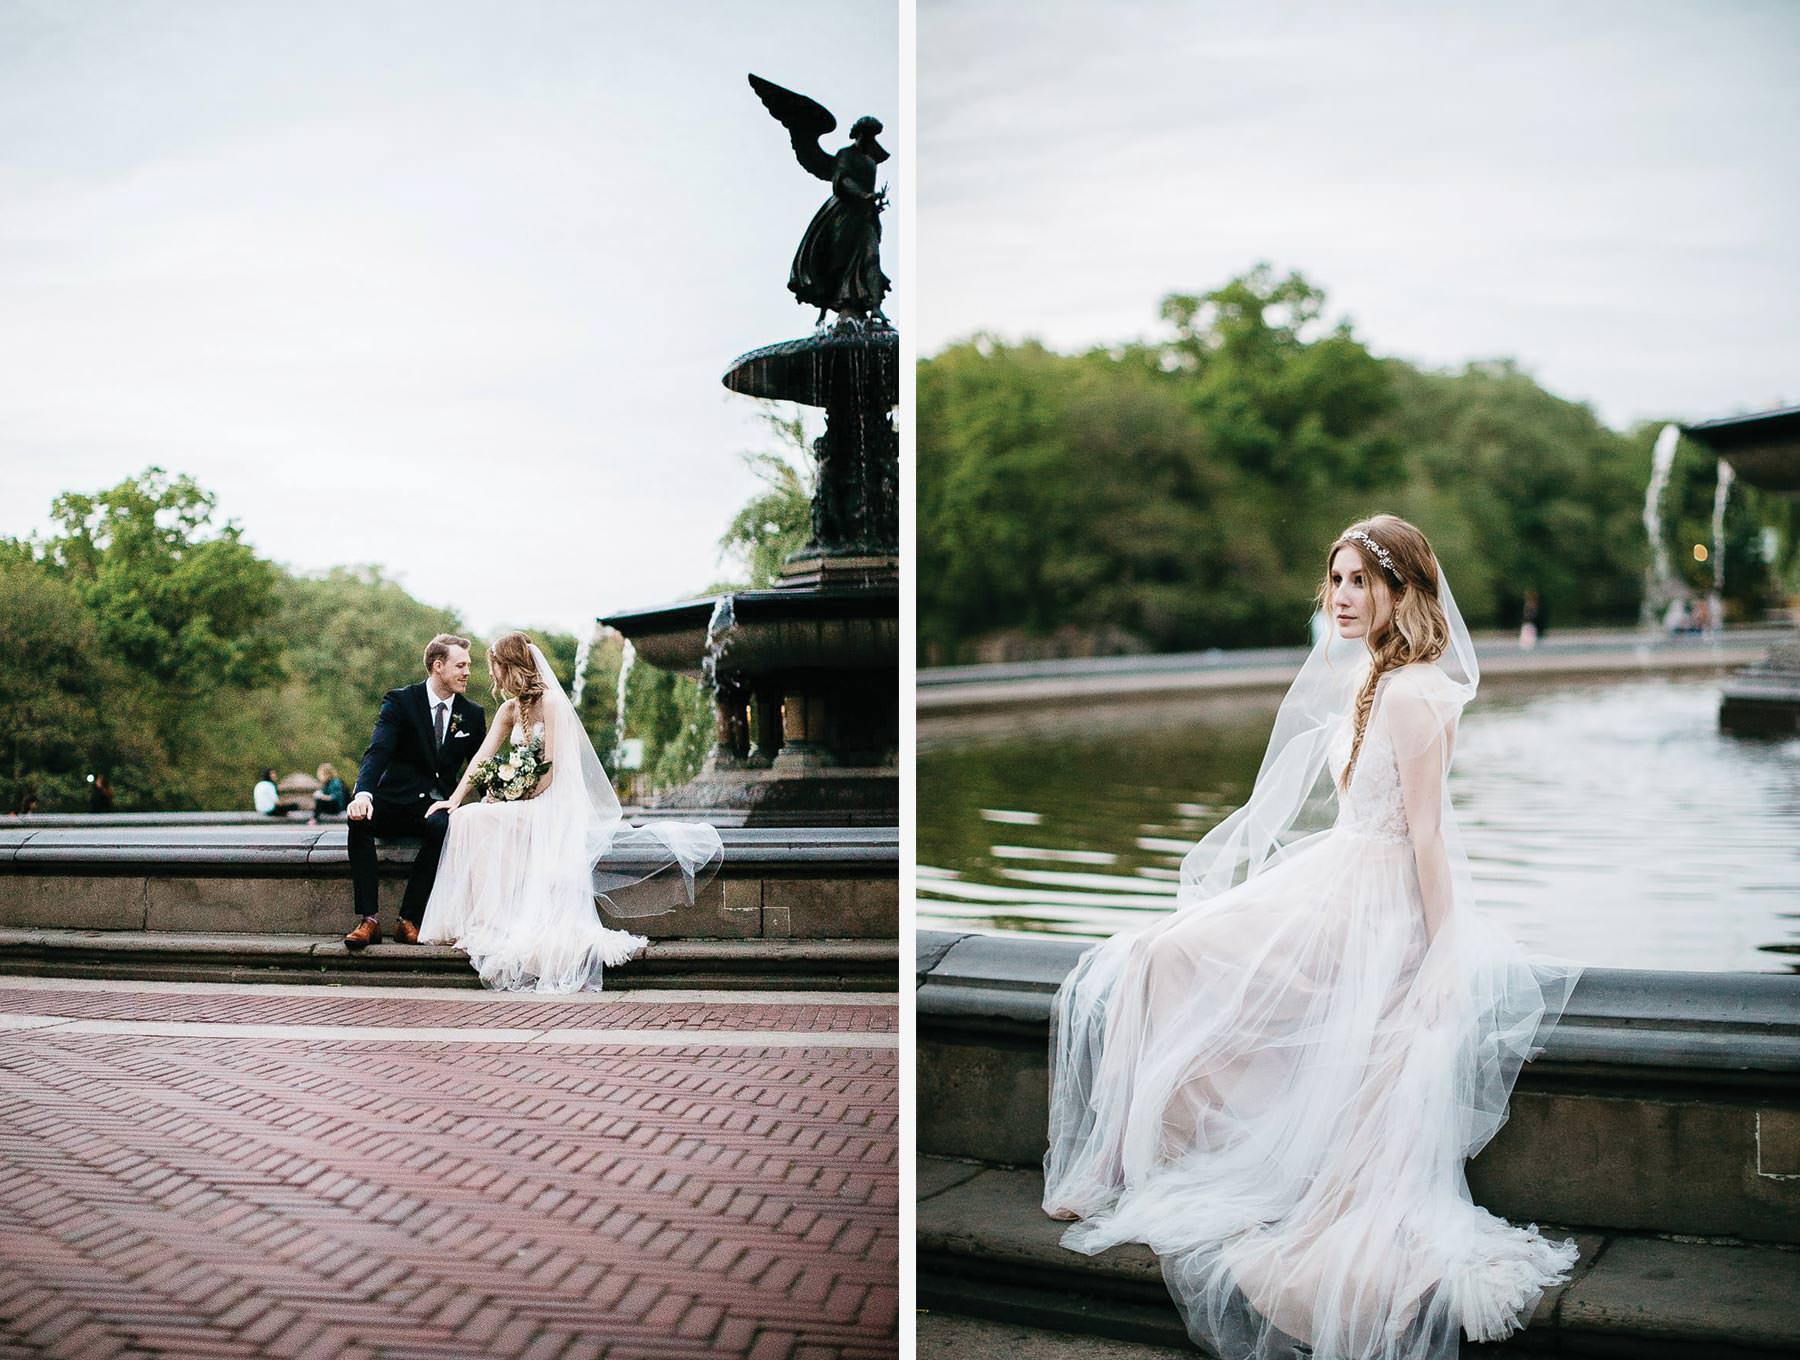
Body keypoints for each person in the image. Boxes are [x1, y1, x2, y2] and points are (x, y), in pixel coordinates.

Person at [1043, 515, 1584, 1360]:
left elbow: (1428, 835)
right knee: (1158, 954)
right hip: (1337, 873)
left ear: (1401, 590)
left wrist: (1443, 953)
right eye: (1335, 580)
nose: (1341, 596)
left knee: (1171, 960)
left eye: (1360, 581)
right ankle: (1132, 1161)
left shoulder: (1411, 692)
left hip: (1376, 902)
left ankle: (1135, 1165)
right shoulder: (1375, 674)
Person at [418, 632, 723, 993]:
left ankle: (494, 925)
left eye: (494, 666)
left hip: (552, 804)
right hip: (525, 801)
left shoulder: (551, 703)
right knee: (467, 817)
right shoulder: (509, 709)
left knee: (483, 818)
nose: (490, 674)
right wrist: (455, 799)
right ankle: (484, 923)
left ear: (509, 666)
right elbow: (482, 757)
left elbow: (550, 770)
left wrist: (513, 797)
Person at [343, 634, 488, 948]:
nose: (467, 672)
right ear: (438, 666)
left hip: (435, 807)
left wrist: (503, 800)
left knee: (443, 826)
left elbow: (481, 767)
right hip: (393, 800)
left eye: (469, 665)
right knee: (358, 821)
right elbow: (378, 750)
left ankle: (408, 919)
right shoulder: (400, 701)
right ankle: (368, 920)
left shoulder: (472, 714)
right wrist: (363, 794)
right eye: (460, 665)